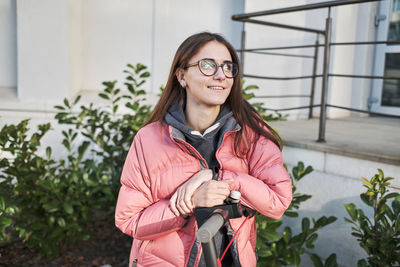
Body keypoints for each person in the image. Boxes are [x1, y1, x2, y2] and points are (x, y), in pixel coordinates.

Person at [115, 32, 293, 267]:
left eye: (228, 67)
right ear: (181, 76)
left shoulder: (250, 133)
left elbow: (278, 201)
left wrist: (218, 178)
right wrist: (191, 201)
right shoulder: (149, 139)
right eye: (207, 65)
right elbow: (129, 220)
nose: (221, 75)